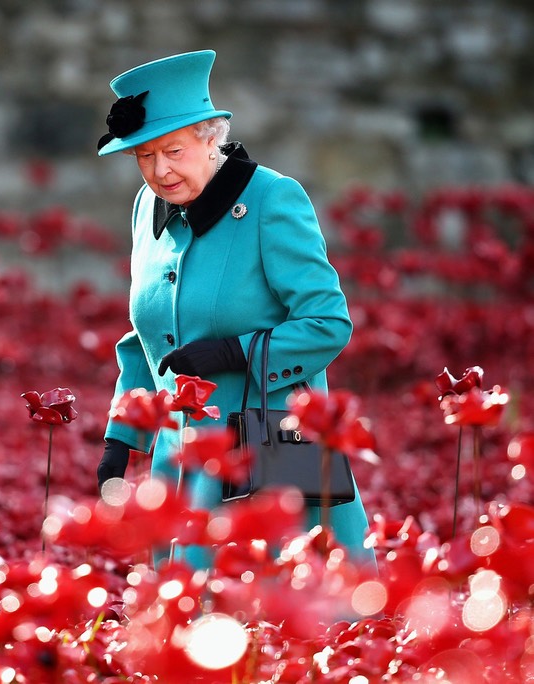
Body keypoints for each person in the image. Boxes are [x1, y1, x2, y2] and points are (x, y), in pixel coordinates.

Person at [94, 49, 375, 571]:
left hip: (266, 452)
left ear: (209, 137)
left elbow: (329, 324)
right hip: (177, 464)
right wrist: (121, 433)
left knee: (273, 626)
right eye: (144, 156)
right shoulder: (145, 208)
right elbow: (146, 338)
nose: (160, 170)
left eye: (173, 150)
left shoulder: (272, 200)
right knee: (182, 627)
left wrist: (235, 352)